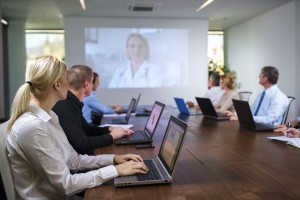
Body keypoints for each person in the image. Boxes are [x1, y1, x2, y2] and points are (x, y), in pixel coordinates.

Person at [5, 56, 148, 199]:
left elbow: (74, 161)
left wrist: (114, 159)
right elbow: (66, 185)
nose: (70, 83)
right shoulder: (32, 128)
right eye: (67, 78)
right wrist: (115, 170)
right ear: (57, 84)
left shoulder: (50, 117)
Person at [53, 65, 133, 155]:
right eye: (92, 82)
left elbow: (88, 130)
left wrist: (110, 129)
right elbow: (82, 144)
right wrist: (113, 136)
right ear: (86, 85)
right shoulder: (66, 106)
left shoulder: (71, 102)